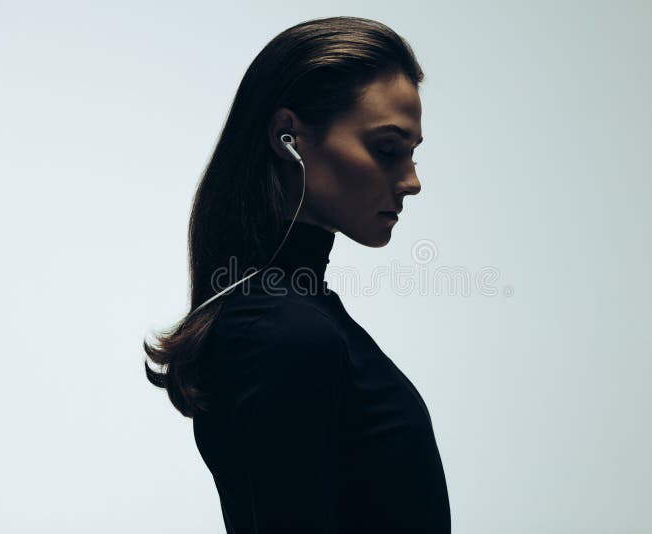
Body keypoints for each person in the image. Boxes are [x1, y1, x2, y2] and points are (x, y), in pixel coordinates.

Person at [144, 16, 451, 533]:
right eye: (387, 149)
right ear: (288, 136)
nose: (412, 181)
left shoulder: (288, 318)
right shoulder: (284, 334)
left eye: (413, 153)